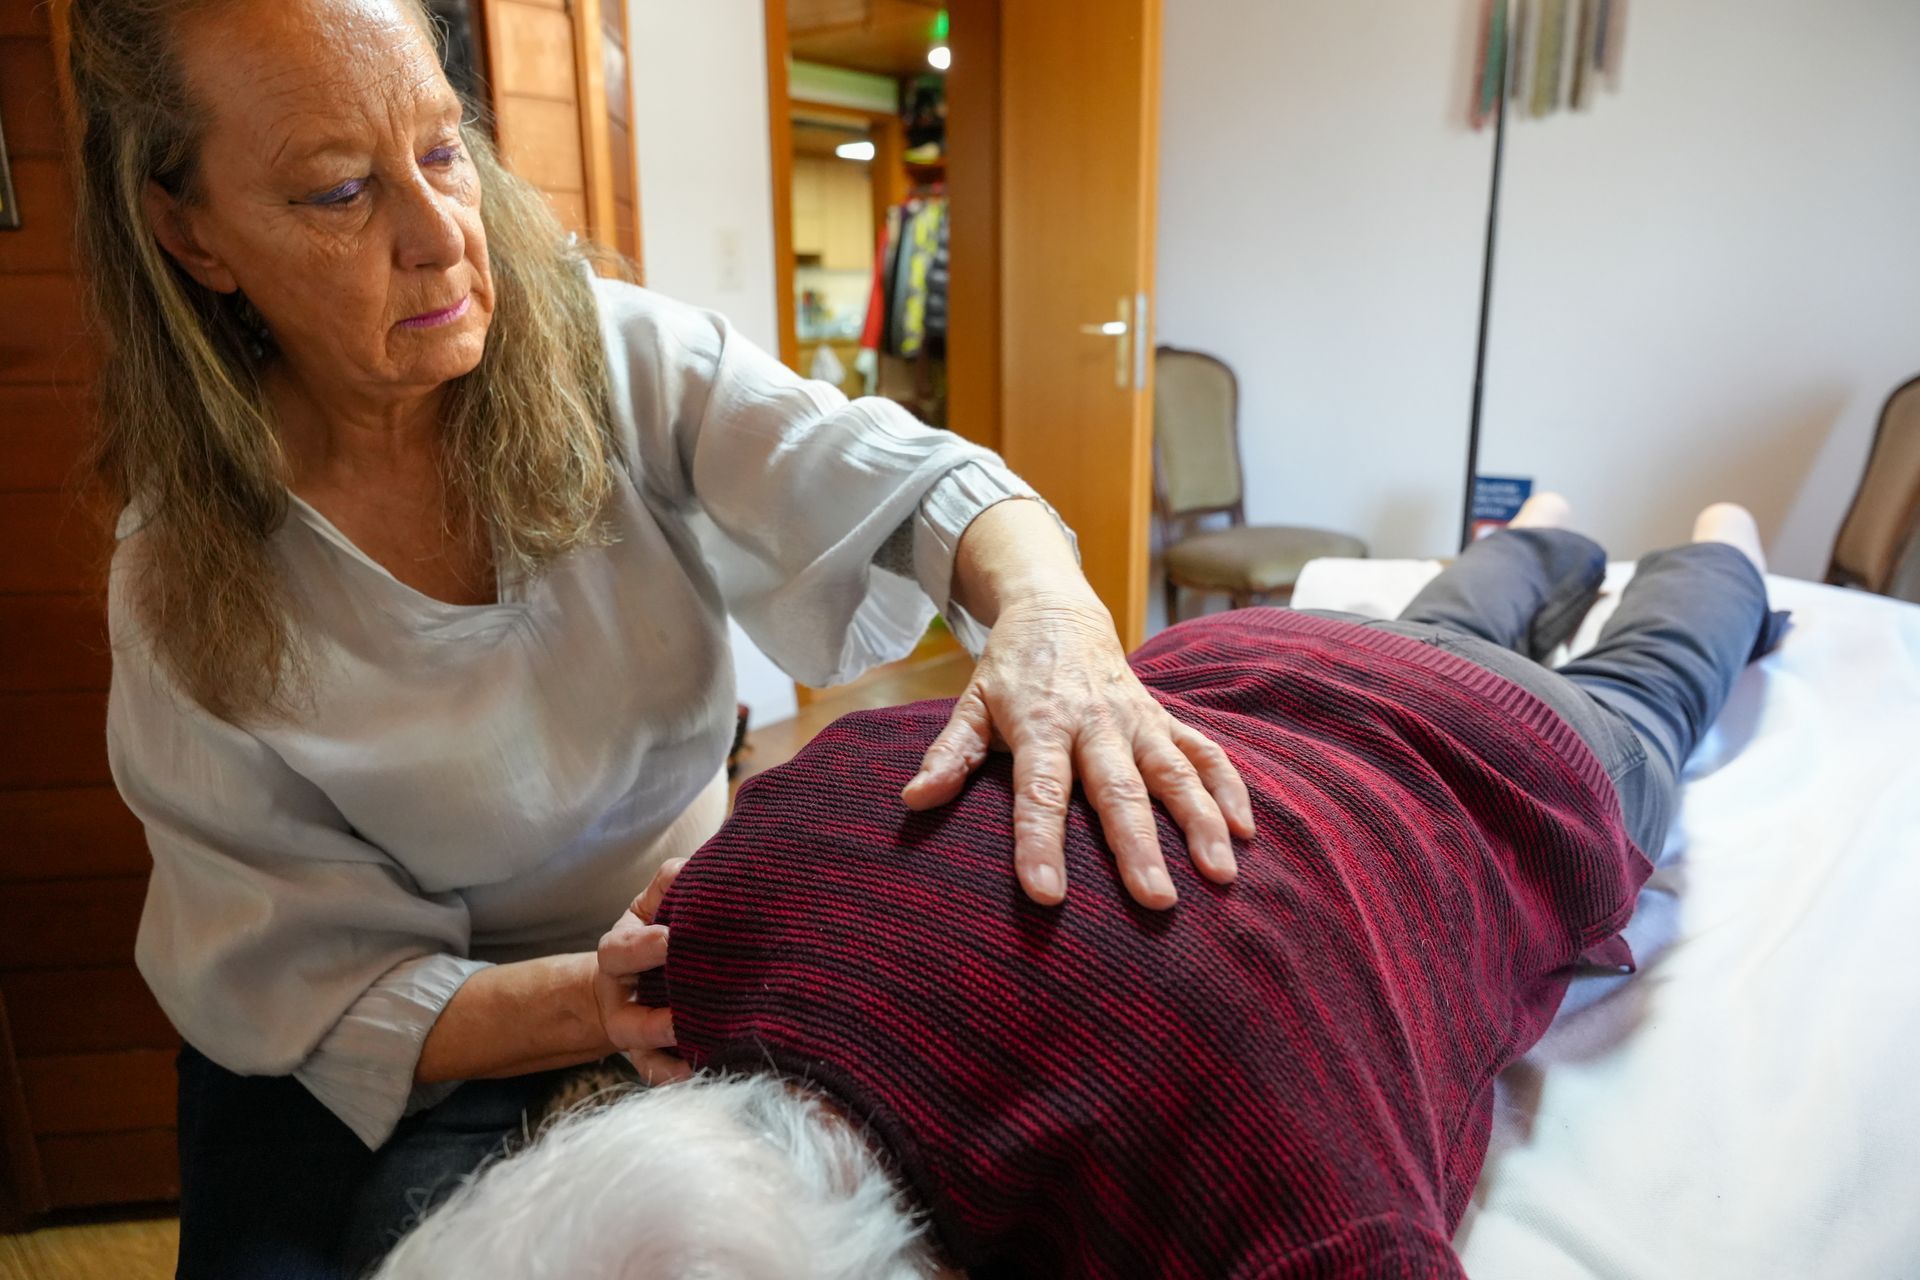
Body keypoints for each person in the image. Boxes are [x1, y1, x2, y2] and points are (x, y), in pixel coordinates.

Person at [71, 0, 1253, 1272]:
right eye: (339, 191)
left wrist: (1054, 617)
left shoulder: (609, 355)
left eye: (443, 149)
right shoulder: (184, 582)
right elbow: (316, 992)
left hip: (687, 937)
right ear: (190, 233)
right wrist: (604, 995)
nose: (440, 238)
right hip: (424, 1027)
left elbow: (910, 480)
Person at [373, 499, 1789, 1280]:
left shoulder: (1265, 1204)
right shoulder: (720, 919)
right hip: (1251, 666)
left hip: (1495, 764)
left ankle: (1720, 547)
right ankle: (1546, 527)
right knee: (1436, 624)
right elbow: (856, 768)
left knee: (1648, 689)